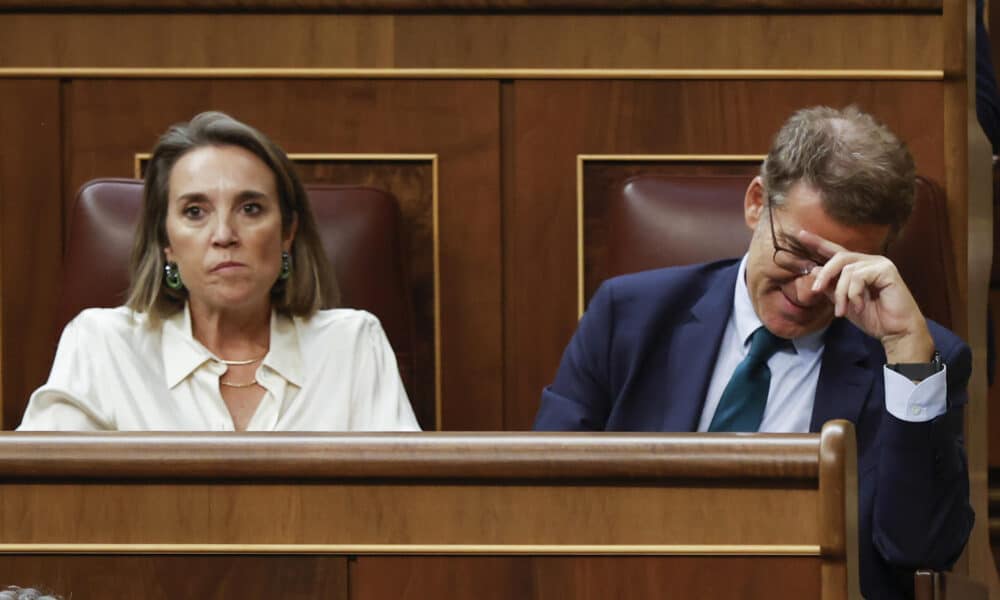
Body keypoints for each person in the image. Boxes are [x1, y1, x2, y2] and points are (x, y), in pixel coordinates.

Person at [534, 106, 973, 599]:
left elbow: (920, 549)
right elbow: (546, 500)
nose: (809, 291)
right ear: (755, 202)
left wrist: (907, 356)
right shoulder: (629, 317)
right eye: (796, 253)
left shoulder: (918, 363)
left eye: (834, 269)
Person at [19, 111, 419, 432]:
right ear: (167, 243)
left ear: (287, 233)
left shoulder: (352, 345)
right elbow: (40, 503)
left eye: (251, 209)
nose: (225, 235)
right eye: (195, 212)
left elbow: (405, 507)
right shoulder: (102, 347)